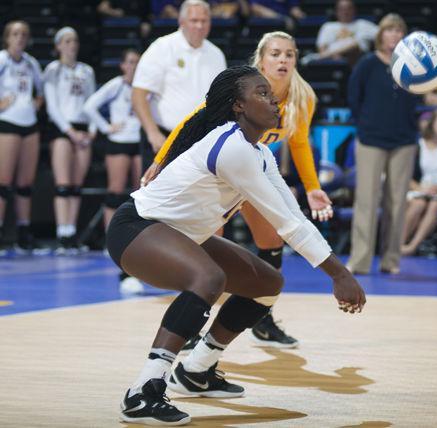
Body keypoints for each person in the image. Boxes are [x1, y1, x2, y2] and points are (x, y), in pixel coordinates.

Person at [108, 65, 366, 426]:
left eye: (270, 93)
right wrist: (339, 274)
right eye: (261, 93)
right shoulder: (232, 148)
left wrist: (338, 272)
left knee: (266, 283)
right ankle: (143, 392)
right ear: (238, 106)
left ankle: (197, 370)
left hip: (180, 236)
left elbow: (294, 216)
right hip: (136, 229)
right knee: (208, 278)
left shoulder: (260, 153)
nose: (272, 99)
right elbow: (288, 224)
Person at [148, 31, 332, 348]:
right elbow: (191, 121)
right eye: (275, 53)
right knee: (208, 243)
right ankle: (192, 326)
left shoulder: (303, 98)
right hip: (215, 173)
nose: (283, 60)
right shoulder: (242, 88)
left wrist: (312, 188)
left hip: (250, 173)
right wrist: (161, 160)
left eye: (289, 54)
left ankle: (261, 318)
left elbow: (300, 144)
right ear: (260, 59)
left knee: (271, 240)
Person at [347, 14, 420, 275]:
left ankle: (391, 260)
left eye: (399, 30)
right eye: (390, 30)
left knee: (397, 202)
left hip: (404, 140)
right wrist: (366, 123)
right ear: (381, 34)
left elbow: (418, 99)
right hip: (370, 139)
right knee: (366, 201)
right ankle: (360, 261)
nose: (394, 35)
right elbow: (354, 98)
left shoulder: (412, 65)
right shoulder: (367, 64)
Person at [132, 0, 226, 172]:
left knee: (197, 198)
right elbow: (138, 94)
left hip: (201, 142)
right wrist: (152, 133)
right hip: (164, 138)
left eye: (204, 21)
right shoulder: (162, 47)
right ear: (181, 22)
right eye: (194, 20)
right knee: (155, 195)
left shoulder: (217, 54)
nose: (199, 25)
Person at [83, 49, 143, 293]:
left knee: (141, 192)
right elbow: (90, 106)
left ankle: (139, 239)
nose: (133, 66)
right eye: (130, 62)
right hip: (118, 142)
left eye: (137, 62)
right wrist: (106, 127)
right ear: (122, 65)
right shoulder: (116, 85)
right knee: (115, 192)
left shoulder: (143, 88)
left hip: (138, 142)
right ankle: (112, 240)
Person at [44, 27, 96, 252]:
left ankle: (72, 233)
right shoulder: (53, 70)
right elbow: (52, 105)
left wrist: (93, 130)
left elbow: (92, 102)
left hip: (83, 128)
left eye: (74, 40)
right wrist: (69, 131)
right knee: (63, 184)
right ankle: (61, 232)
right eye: (66, 41)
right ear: (58, 46)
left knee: (76, 185)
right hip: (62, 128)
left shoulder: (87, 71)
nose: (71, 44)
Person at [0, 21, 43, 254]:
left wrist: (36, 103)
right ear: (7, 37)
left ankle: (24, 232)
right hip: (8, 123)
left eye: (24, 34)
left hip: (30, 124)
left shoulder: (30, 62)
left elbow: (41, 90)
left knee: (25, 184)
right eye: (15, 34)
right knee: (3, 182)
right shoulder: (2, 60)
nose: (20, 38)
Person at [401, 109, 437, 256]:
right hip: (416, 189)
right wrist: (420, 189)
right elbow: (405, 175)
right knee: (418, 203)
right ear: (432, 123)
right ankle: (398, 244)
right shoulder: (416, 147)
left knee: (434, 205)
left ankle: (412, 247)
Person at [313, 0, 378, 66]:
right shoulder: (328, 26)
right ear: (336, 11)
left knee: (354, 44)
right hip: (333, 62)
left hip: (359, 60)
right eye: (342, 9)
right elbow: (322, 49)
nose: (345, 12)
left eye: (348, 8)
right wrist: (333, 56)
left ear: (354, 10)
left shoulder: (363, 24)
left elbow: (382, 35)